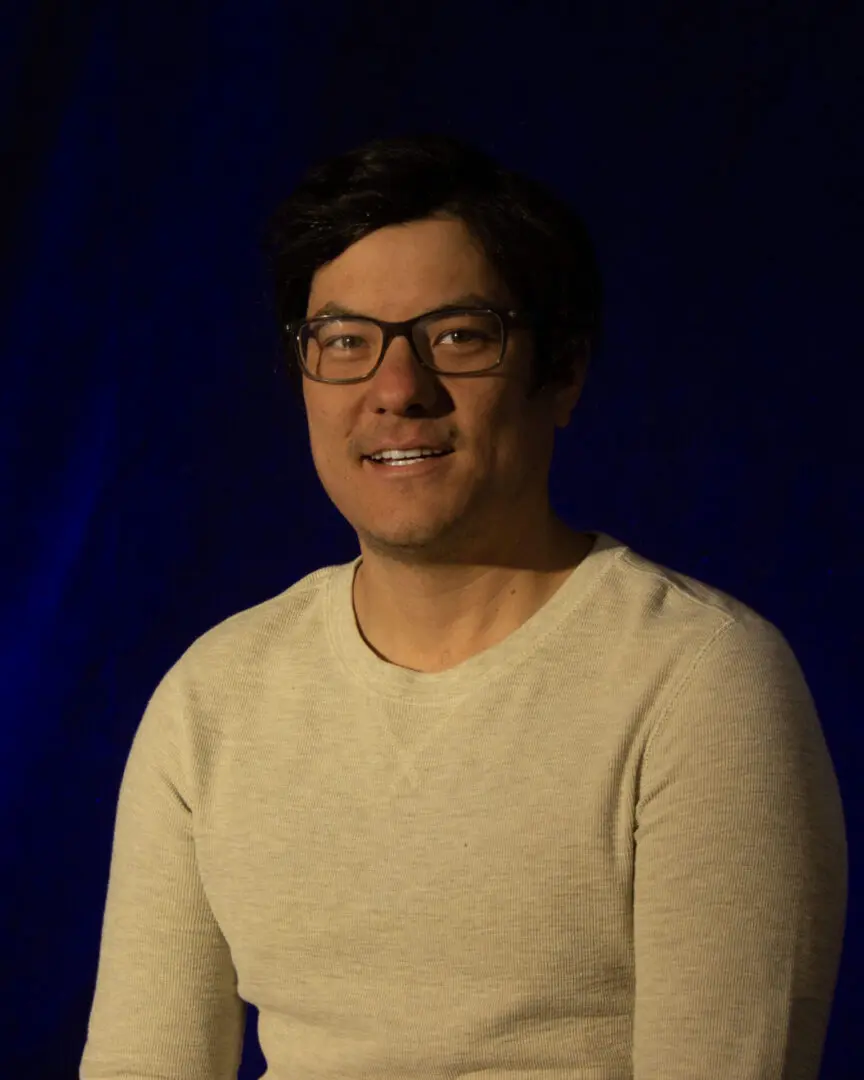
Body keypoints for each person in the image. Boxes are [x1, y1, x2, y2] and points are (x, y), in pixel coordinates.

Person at [80, 134, 848, 1080]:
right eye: (346, 343)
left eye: (458, 336)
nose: (397, 392)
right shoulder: (216, 695)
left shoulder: (698, 682)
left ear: (561, 372)